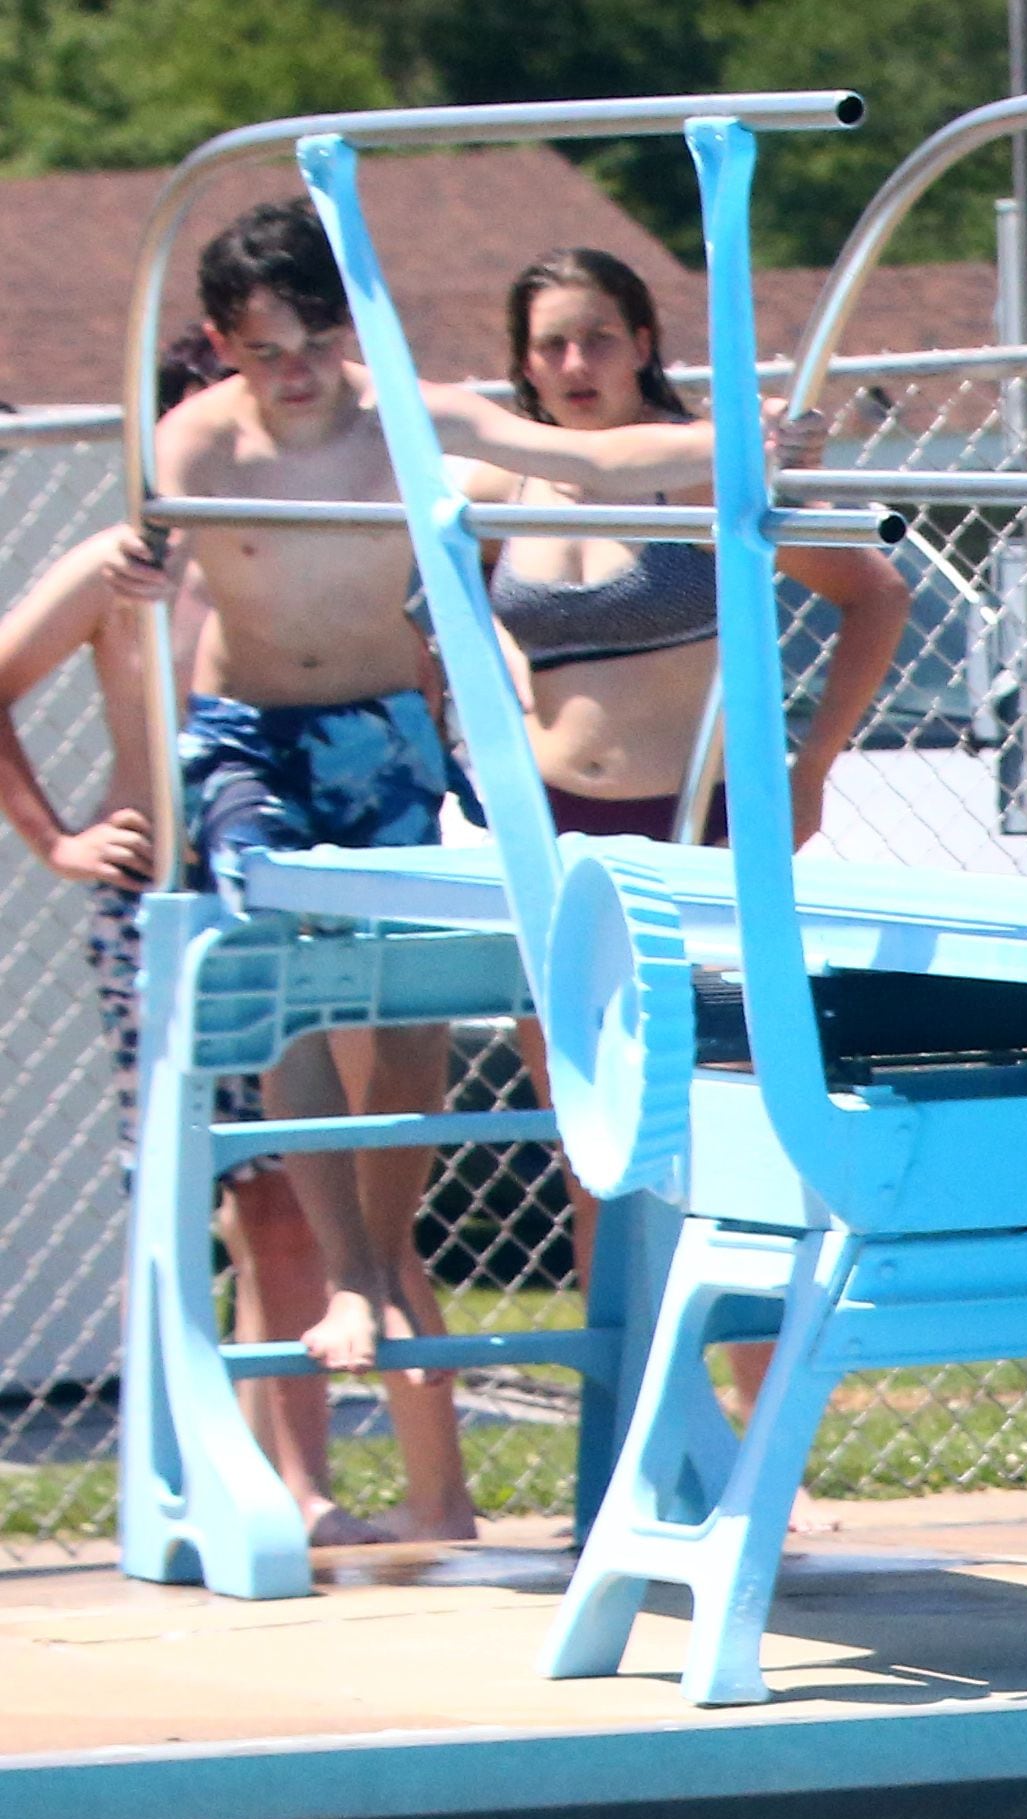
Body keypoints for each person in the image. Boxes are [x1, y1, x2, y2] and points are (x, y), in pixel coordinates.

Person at [134, 200, 810, 1526]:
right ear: (222, 346)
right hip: (248, 735)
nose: (297, 374)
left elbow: (572, 453)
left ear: (352, 330)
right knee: (284, 953)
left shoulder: (406, 413)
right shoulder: (193, 440)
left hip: (383, 731)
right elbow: (139, 563)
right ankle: (347, 1268)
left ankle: (382, 1255)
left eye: (319, 341)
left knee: (408, 995)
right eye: (266, 350)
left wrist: (747, 435)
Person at [467, 247, 903, 1394]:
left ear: (645, 343)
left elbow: (873, 596)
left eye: (598, 337)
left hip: (694, 824)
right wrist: (492, 726)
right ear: (522, 359)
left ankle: (766, 1433)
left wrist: (814, 760)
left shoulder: (701, 474)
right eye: (551, 343)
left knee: (732, 1133)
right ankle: (640, 1428)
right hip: (558, 838)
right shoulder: (502, 487)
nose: (574, 363)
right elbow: (442, 617)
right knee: (595, 1150)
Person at [0, 328, 389, 1542]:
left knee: (287, 1200)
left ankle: (301, 1487)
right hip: (158, 904)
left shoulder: (293, 564)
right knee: (173, 1195)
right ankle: (165, 1471)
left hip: (272, 901)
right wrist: (57, 839)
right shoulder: (124, 567)